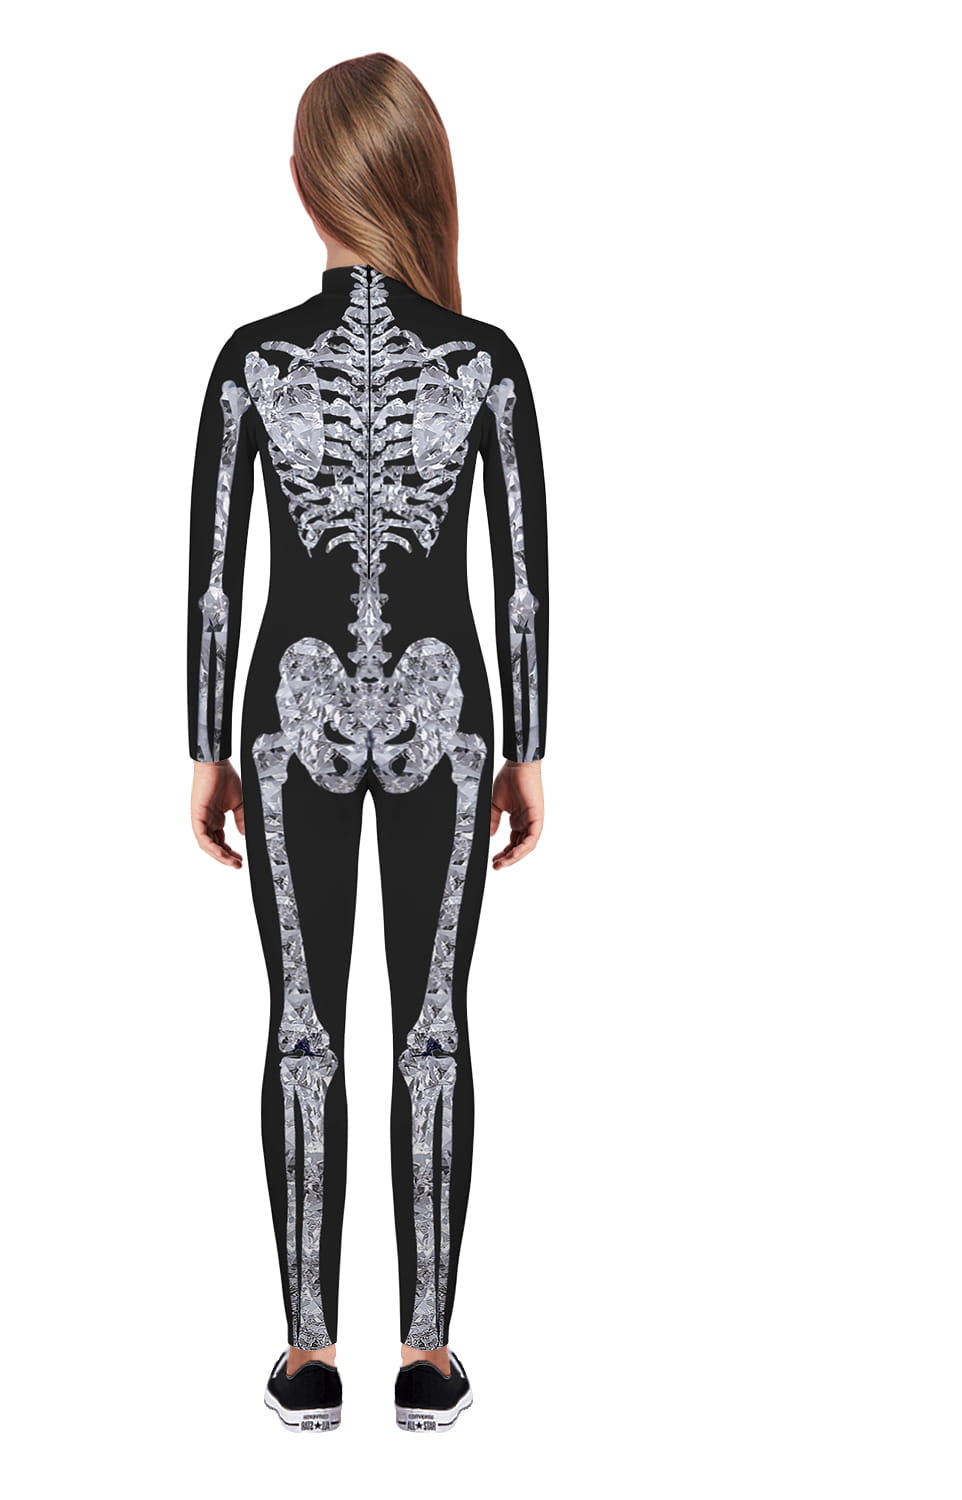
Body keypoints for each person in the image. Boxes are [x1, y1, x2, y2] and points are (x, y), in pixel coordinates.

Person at [185, 52, 549, 1433]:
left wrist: (206, 744)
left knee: (302, 1023)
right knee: (434, 1024)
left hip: (291, 712)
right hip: (449, 713)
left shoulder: (253, 363)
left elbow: (217, 581)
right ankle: (429, 1355)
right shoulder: (486, 363)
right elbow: (519, 580)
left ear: (305, 183)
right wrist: (528, 745)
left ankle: (307, 1352)